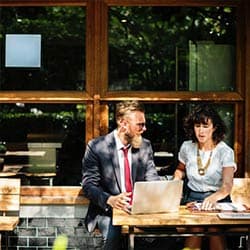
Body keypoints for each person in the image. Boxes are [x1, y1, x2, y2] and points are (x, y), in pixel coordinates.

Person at [82, 100, 160, 250]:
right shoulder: (97, 147)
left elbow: (152, 180)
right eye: (140, 124)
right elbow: (89, 185)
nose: (144, 128)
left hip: (139, 209)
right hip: (108, 211)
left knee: (171, 236)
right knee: (113, 239)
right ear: (122, 123)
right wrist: (110, 200)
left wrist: (161, 194)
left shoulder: (145, 146)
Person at [173, 104, 237, 250]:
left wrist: (212, 198)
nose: (201, 131)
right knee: (196, 228)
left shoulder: (225, 151)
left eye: (205, 126)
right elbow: (180, 169)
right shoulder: (187, 147)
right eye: (197, 126)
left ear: (214, 127)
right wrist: (176, 182)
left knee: (214, 229)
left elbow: (227, 186)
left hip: (219, 200)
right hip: (192, 199)